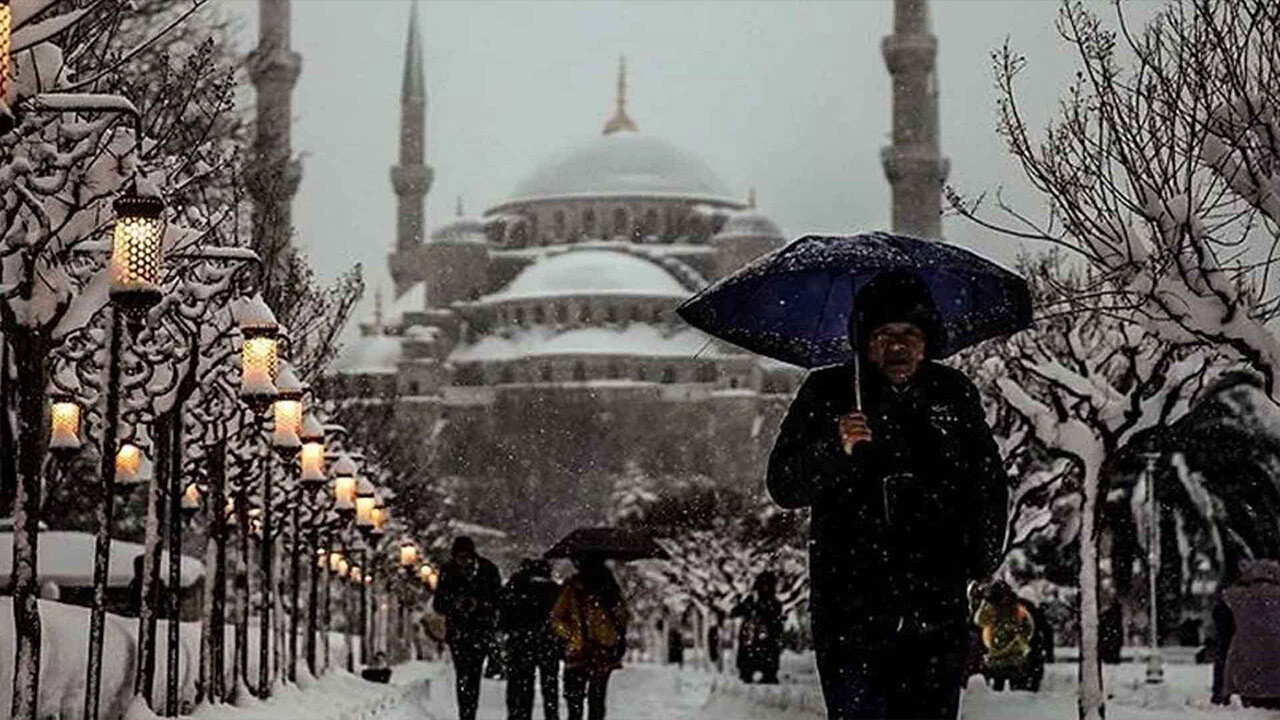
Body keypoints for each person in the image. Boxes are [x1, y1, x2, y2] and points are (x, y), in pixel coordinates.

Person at [766, 269, 1009, 719]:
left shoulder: (952, 394)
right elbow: (783, 483)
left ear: (926, 339)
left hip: (934, 608)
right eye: (883, 334)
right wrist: (833, 449)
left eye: (909, 334)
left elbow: (988, 482)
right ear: (864, 338)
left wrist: (979, 555)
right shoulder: (829, 391)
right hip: (851, 609)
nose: (897, 346)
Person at [550, 553, 629, 720]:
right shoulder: (611, 589)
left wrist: (571, 634)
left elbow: (556, 618)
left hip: (578, 650)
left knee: (574, 699)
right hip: (604, 650)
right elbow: (622, 616)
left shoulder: (572, 588)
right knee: (597, 698)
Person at [434, 536, 502, 720]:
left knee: (473, 674)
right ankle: (466, 712)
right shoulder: (448, 571)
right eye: (459, 557)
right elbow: (438, 603)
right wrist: (456, 604)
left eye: (466, 556)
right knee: (463, 674)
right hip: (459, 632)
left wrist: (479, 604)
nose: (463, 561)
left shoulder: (488, 570)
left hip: (480, 631)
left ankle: (470, 710)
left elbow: (498, 601)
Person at [501, 558, 562, 720]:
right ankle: (551, 716)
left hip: (519, 643)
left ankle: (518, 716)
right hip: (548, 643)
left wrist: (512, 631)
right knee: (550, 688)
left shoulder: (515, 586)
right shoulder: (554, 590)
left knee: (520, 687)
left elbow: (503, 616)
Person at [972, 581, 1034, 692]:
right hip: (1016, 651)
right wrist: (1022, 640)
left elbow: (979, 620)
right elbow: (1028, 627)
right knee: (1017, 687)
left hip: (995, 652)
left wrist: (984, 603)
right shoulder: (1016, 607)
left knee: (997, 685)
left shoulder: (990, 608)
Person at [731, 571, 784, 684]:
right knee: (759, 658)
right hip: (758, 638)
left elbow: (737, 611)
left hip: (761, 638)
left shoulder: (769, 603)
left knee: (761, 658)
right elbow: (737, 611)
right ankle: (758, 674)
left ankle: (762, 675)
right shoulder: (759, 601)